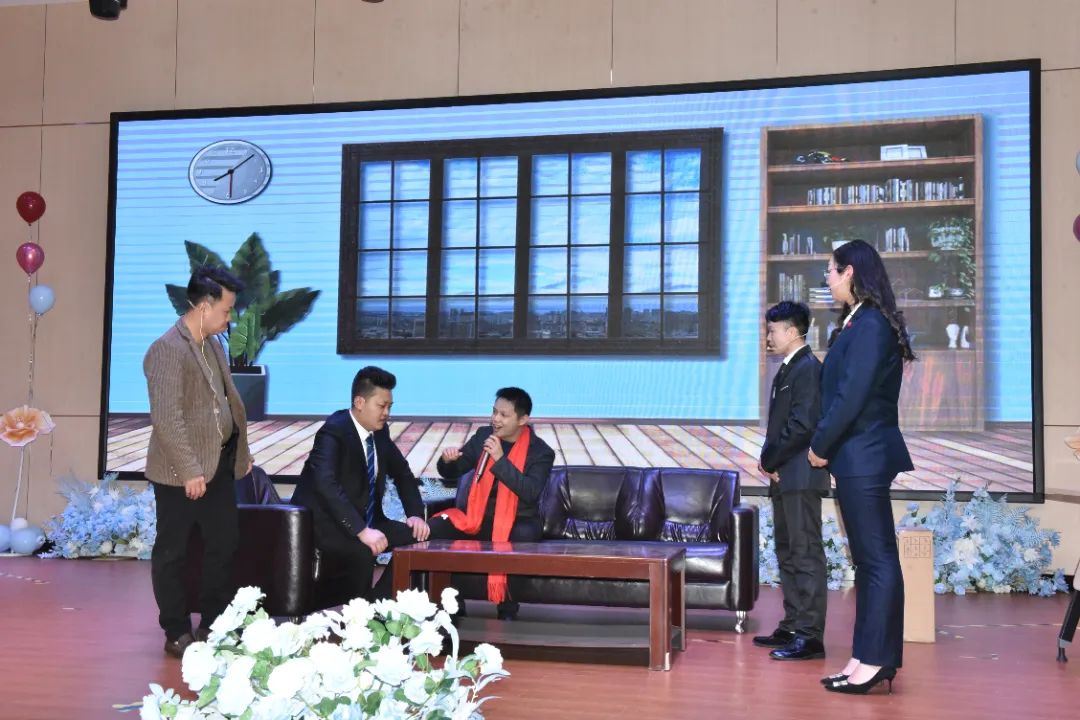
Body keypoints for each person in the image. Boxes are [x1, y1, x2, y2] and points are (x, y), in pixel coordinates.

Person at [809, 239, 915, 694]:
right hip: (857, 454)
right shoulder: (858, 320)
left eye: (830, 271)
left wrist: (820, 444)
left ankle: (877, 660)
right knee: (869, 561)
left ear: (849, 271)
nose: (827, 279)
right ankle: (864, 656)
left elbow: (851, 395)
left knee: (876, 560)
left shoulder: (870, 324)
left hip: (864, 453)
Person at [143, 265, 253, 658]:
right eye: (226, 310)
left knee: (224, 544)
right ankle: (176, 630)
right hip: (179, 472)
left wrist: (242, 451)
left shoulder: (213, 344)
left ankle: (213, 623)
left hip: (218, 463)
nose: (229, 318)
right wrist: (190, 470)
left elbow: (225, 403)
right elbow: (167, 419)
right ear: (204, 307)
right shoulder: (167, 349)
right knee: (172, 552)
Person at [291, 366, 429, 603]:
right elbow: (326, 485)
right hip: (328, 526)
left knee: (421, 538)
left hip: (369, 521)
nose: (386, 413)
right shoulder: (334, 431)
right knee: (363, 550)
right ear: (359, 402)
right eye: (381, 406)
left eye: (390, 407)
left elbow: (402, 473)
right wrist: (361, 531)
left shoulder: (380, 432)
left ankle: (379, 602)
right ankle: (360, 614)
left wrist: (415, 514)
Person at [428, 387, 555, 619]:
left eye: (503, 415)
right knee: (436, 527)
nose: (495, 419)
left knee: (521, 536)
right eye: (494, 412)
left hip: (517, 519)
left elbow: (530, 492)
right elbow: (455, 469)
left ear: (523, 420)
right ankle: (451, 602)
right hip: (478, 516)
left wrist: (500, 459)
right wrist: (447, 462)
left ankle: (507, 605)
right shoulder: (483, 436)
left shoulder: (541, 452)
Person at [753, 301, 831, 661]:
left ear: (792, 331)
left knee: (805, 553)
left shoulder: (808, 369)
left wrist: (769, 459)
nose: (768, 336)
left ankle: (810, 636)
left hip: (800, 475)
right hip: (785, 476)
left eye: (773, 330)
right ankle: (793, 624)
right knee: (787, 551)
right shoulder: (788, 369)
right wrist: (770, 462)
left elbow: (802, 426)